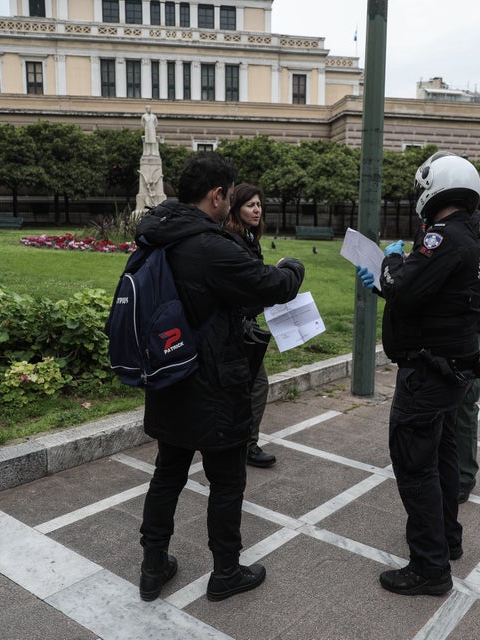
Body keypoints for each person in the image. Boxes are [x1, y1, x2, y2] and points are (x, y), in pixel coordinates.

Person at [134, 152, 305, 603]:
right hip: (213, 380)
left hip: (169, 372)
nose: (233, 202)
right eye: (231, 195)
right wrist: (293, 267)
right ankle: (226, 571)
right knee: (227, 482)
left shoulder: (159, 234)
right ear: (217, 196)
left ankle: (153, 567)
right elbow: (271, 284)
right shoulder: (210, 246)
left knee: (167, 474)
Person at [356, 151, 480, 596]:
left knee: (415, 467)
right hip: (452, 370)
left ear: (437, 187)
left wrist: (388, 264)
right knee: (443, 459)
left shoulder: (442, 237)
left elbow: (404, 287)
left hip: (428, 373)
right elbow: (432, 296)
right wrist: (388, 279)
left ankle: (429, 568)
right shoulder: (474, 235)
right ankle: (447, 539)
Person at [224, 183, 276, 468]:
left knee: (251, 385)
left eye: (258, 204)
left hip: (246, 324)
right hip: (236, 327)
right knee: (256, 386)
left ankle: (242, 443)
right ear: (236, 209)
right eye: (250, 205)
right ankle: (244, 445)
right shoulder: (234, 241)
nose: (257, 210)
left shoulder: (248, 238)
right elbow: (244, 289)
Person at [457, 210, 480, 504]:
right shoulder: (436, 219)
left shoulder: (479, 222)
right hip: (437, 325)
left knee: (466, 400)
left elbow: (475, 262)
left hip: (466, 324)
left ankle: (463, 476)